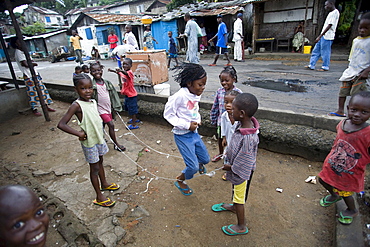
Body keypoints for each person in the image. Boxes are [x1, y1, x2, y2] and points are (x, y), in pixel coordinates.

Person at [57, 73, 119, 207]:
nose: (88, 91)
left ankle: (104, 184)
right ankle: (99, 196)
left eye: (90, 87)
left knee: (101, 161)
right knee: (94, 168)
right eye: (83, 88)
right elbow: (61, 124)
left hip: (99, 139)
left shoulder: (93, 101)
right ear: (76, 89)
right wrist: (78, 134)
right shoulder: (76, 105)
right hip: (89, 143)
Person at [318, 91, 370, 225]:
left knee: (346, 193)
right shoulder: (342, 124)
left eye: (364, 112)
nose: (357, 114)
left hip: (351, 171)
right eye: (354, 110)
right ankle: (334, 195)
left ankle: (352, 210)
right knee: (323, 180)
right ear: (348, 109)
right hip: (333, 164)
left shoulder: (367, 132)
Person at [212, 93, 259, 236]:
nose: (231, 110)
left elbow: (244, 161)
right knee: (236, 192)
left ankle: (241, 226)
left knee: (239, 198)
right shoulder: (243, 124)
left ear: (242, 113)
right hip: (237, 170)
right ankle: (233, 207)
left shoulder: (249, 138)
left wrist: (230, 168)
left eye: (234, 109)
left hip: (241, 173)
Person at [163, 63, 210, 195]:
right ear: (189, 83)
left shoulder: (195, 93)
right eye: (200, 84)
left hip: (194, 133)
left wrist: (197, 120)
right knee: (192, 167)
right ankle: (180, 180)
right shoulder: (179, 97)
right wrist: (186, 125)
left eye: (204, 84)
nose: (203, 88)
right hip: (182, 136)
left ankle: (199, 164)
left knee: (205, 159)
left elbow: (195, 110)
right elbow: (168, 115)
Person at [328, 12, 370, 117]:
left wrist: (367, 71)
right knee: (343, 92)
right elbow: (352, 56)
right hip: (351, 71)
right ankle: (340, 110)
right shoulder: (356, 40)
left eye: (366, 28)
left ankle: (357, 114)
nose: (362, 30)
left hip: (361, 73)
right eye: (360, 28)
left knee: (358, 95)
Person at [10, 36, 55, 117]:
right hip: (28, 75)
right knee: (33, 94)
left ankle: (46, 106)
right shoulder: (18, 52)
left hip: (35, 74)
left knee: (42, 91)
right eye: (20, 41)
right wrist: (33, 63)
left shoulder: (23, 51)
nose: (22, 43)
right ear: (16, 44)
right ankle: (34, 109)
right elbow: (26, 64)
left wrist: (32, 63)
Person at [89, 62, 126, 151]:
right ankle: (116, 144)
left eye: (98, 70)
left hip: (108, 108)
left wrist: (116, 106)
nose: (97, 72)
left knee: (102, 125)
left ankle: (100, 139)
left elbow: (113, 95)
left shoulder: (107, 83)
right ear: (90, 73)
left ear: (102, 70)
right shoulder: (91, 85)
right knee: (111, 125)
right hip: (100, 110)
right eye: (94, 71)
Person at [210, 66, 242, 162]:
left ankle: (232, 158)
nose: (224, 83)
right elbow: (215, 106)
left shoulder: (238, 93)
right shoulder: (220, 92)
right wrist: (213, 118)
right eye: (222, 81)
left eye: (227, 80)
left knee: (233, 140)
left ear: (234, 79)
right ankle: (220, 153)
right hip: (221, 121)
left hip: (233, 123)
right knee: (221, 138)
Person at [305, 0, 339, 71]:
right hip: (323, 36)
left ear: (331, 4)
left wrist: (320, 36)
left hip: (328, 36)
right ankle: (311, 65)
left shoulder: (335, 13)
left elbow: (329, 25)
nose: (325, 7)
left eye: (326, 5)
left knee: (325, 52)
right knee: (316, 50)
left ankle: (325, 66)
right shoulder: (330, 13)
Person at [109, 58, 140, 130]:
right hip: (127, 94)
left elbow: (125, 73)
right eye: (123, 64)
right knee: (128, 108)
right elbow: (119, 73)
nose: (125, 66)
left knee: (132, 110)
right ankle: (134, 119)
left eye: (127, 64)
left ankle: (134, 125)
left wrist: (120, 70)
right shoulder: (123, 72)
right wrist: (112, 71)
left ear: (131, 65)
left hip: (132, 95)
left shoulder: (129, 72)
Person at [220, 90, 241, 180]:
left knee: (237, 159)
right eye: (226, 102)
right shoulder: (224, 116)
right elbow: (223, 127)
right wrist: (224, 137)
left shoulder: (240, 118)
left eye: (232, 103)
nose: (228, 105)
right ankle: (228, 172)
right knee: (228, 157)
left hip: (238, 144)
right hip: (229, 142)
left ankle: (236, 171)